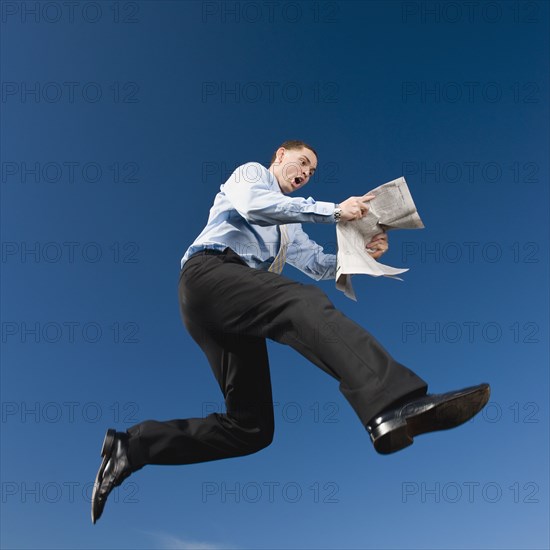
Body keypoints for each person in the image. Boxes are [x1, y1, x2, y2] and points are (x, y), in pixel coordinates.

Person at [91, 140, 490, 523]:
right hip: (209, 276)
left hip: (233, 308)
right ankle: (391, 402)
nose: (305, 173)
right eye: (301, 163)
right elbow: (257, 206)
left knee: (252, 429)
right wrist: (336, 211)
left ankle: (134, 447)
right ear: (280, 155)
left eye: (312, 171)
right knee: (302, 303)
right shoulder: (252, 176)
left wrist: (359, 255)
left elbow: (316, 263)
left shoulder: (288, 231)